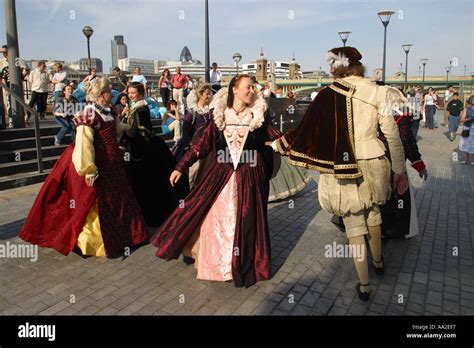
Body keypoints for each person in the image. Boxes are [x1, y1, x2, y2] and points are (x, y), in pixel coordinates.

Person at [270, 47, 408, 301]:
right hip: (374, 159)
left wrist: (278, 144)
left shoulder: (327, 94)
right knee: (374, 212)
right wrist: (400, 171)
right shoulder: (378, 91)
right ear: (358, 67)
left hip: (343, 164)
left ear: (337, 68)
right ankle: (378, 261)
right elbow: (392, 135)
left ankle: (364, 285)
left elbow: (308, 130)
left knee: (354, 221)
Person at [150, 74, 280, 288]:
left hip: (248, 176)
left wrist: (302, 146)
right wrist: (180, 167)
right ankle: (215, 263)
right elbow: (199, 145)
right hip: (221, 174)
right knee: (216, 218)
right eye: (248, 87)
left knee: (244, 221)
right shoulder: (219, 114)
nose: (252, 91)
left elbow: (278, 138)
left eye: (253, 88)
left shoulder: (259, 115)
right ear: (235, 90)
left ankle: (237, 263)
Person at [19, 77, 149, 258]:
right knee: (98, 201)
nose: (111, 94)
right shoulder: (89, 112)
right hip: (99, 162)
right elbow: (84, 143)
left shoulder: (108, 110)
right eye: (109, 91)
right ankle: (95, 241)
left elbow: (116, 128)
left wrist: (132, 129)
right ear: (102, 94)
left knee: (119, 198)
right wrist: (88, 169)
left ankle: (127, 236)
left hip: (113, 163)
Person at [120, 82, 189, 227]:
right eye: (129, 93)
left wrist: (121, 128)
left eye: (134, 93)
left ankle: (151, 216)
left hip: (142, 149)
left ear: (140, 94)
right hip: (140, 146)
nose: (131, 95)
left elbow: (140, 132)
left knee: (146, 182)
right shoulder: (135, 107)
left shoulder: (140, 109)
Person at [172, 83, 213, 189]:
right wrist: (188, 148)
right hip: (195, 150)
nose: (209, 96)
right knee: (193, 177)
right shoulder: (192, 112)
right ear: (200, 94)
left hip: (208, 151)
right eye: (207, 94)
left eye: (210, 94)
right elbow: (185, 132)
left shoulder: (211, 112)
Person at [459, 97, 474, 165]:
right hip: (467, 128)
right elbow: (461, 119)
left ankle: (472, 160)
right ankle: (466, 159)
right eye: (472, 100)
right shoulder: (467, 109)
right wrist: (469, 119)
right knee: (465, 143)